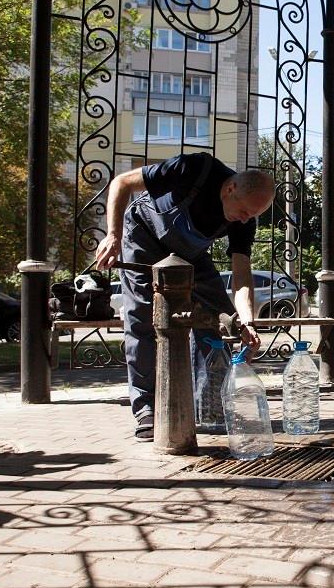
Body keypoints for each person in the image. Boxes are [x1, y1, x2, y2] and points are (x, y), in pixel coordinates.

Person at [95, 152, 276, 441]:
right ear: (231, 188)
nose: (245, 219)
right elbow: (122, 182)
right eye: (244, 211)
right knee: (141, 318)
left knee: (223, 318)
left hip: (187, 254)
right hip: (141, 236)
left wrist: (248, 321)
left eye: (252, 216)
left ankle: (208, 405)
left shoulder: (245, 220)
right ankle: (146, 410)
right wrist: (113, 234)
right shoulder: (194, 168)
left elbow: (241, 276)